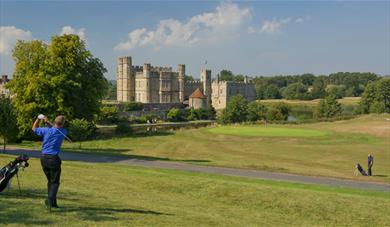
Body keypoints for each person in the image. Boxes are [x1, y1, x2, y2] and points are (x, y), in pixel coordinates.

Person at [32, 115, 67, 210]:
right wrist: (48, 122)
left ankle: (53, 203)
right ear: (63, 123)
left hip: (43, 158)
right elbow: (55, 128)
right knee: (54, 182)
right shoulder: (63, 132)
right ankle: (50, 201)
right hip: (53, 159)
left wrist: (38, 119)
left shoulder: (46, 130)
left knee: (51, 181)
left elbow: (34, 128)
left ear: (54, 121)